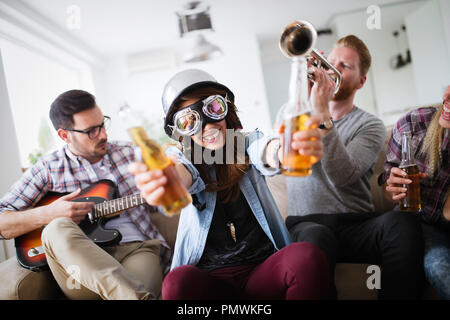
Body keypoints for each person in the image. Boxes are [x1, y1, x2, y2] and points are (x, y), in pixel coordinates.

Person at [129, 69, 331, 300]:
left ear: (227, 109)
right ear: (180, 133)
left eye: (213, 108)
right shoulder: (185, 158)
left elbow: (266, 150)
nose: (207, 126)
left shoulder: (246, 143)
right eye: (189, 121)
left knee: (305, 257)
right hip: (211, 282)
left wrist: (285, 150)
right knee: (176, 282)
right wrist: (168, 179)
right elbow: (182, 173)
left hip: (262, 273)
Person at [285, 35, 424, 299]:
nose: (332, 70)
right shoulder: (297, 117)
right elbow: (284, 156)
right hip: (307, 224)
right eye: (329, 62)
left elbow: (343, 175)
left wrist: (323, 114)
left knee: (402, 222)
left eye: (344, 66)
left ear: (361, 81)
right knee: (315, 240)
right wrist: (308, 100)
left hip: (355, 225)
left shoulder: (368, 125)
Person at [0, 90, 170, 300]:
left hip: (136, 250)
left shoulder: (130, 152)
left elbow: (165, 201)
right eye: (91, 131)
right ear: (64, 135)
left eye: (103, 124)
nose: (103, 135)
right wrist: (49, 214)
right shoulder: (48, 168)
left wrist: (167, 186)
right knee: (56, 227)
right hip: (79, 267)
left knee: (134, 288)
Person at [380, 85, 450, 299]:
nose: (446, 96)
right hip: (422, 224)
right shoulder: (414, 124)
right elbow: (386, 187)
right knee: (440, 268)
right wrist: (395, 188)